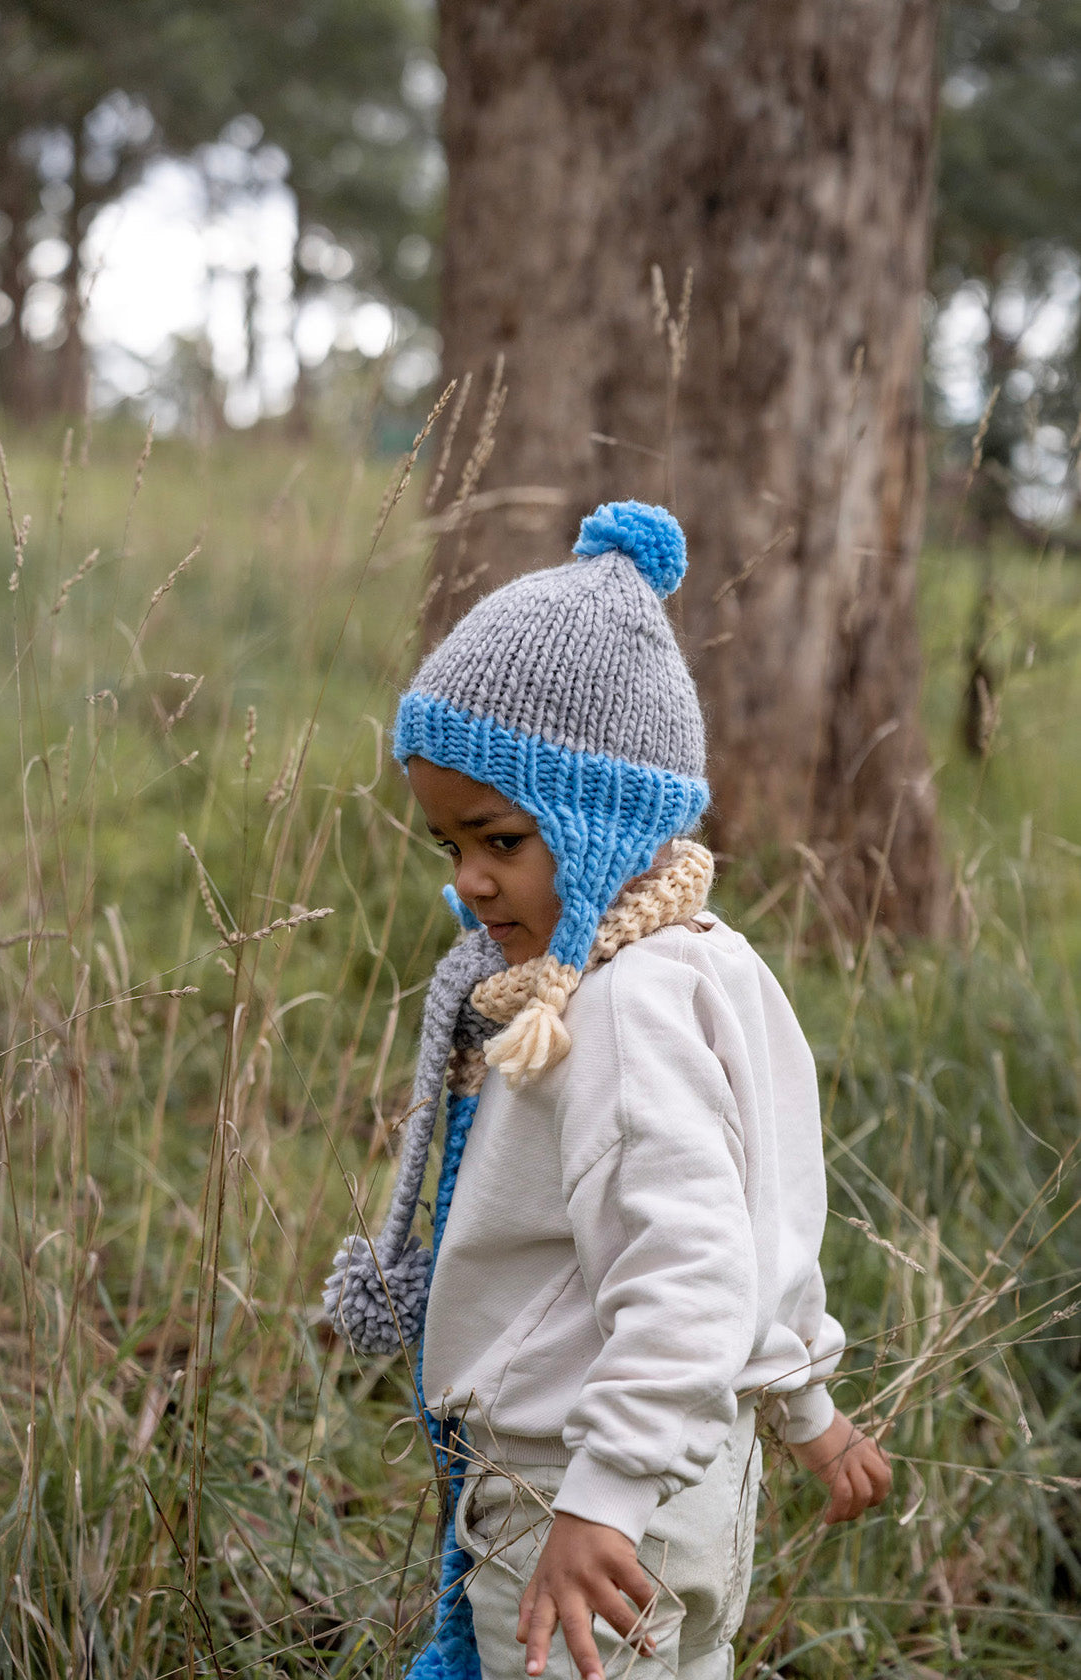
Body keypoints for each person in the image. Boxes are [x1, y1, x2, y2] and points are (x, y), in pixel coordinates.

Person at [325, 500, 891, 1680]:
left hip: (577, 1490)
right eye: (448, 848)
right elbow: (750, 1227)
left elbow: (683, 1267)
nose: (470, 882)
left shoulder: (620, 1013)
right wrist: (802, 1405)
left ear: (599, 823)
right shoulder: (705, 962)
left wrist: (597, 1505)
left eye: (497, 839)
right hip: (684, 1467)